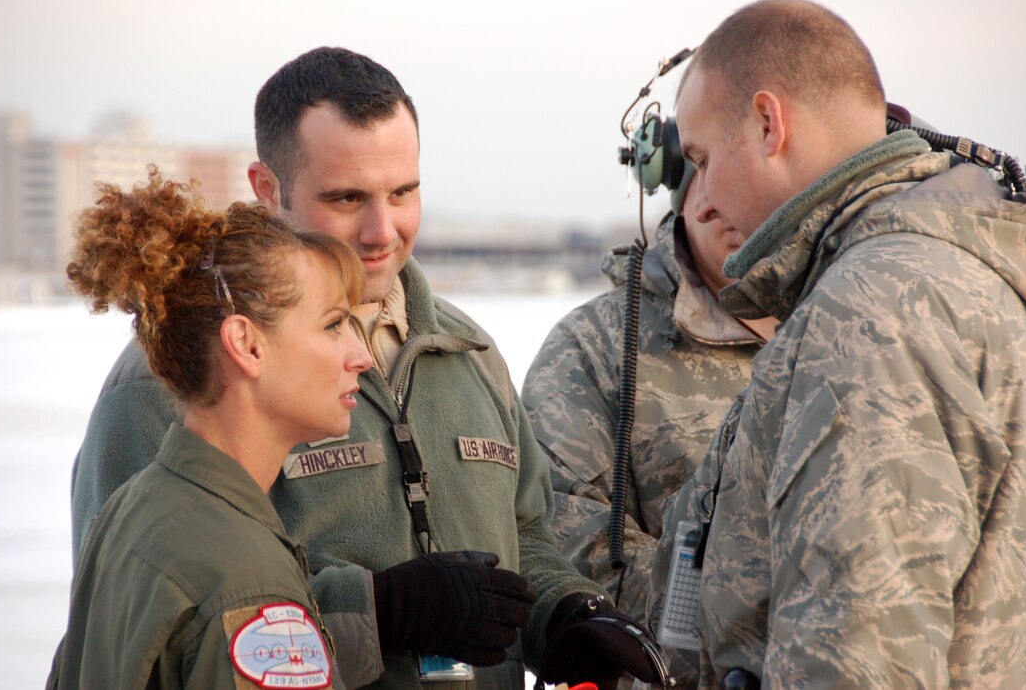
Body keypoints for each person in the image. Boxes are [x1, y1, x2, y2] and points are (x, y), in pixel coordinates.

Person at [69, 48, 664, 689]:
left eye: (403, 192)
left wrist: (564, 613)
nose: (383, 230)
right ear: (268, 189)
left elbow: (526, 534)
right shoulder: (174, 381)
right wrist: (380, 610)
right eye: (347, 197)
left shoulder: (471, 352)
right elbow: (144, 626)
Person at [667, 0, 1026, 686]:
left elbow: (856, 654)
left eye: (700, 157)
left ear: (767, 123)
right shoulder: (971, 273)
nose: (699, 197)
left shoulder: (871, 312)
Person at [49, 170, 372, 688]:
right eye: (333, 325)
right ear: (246, 345)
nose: (362, 357)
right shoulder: (243, 579)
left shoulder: (131, 508)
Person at [522, 164, 777, 685]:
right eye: (703, 164)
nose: (719, 197)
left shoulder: (862, 326)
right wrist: (768, 602)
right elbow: (569, 560)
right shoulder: (595, 346)